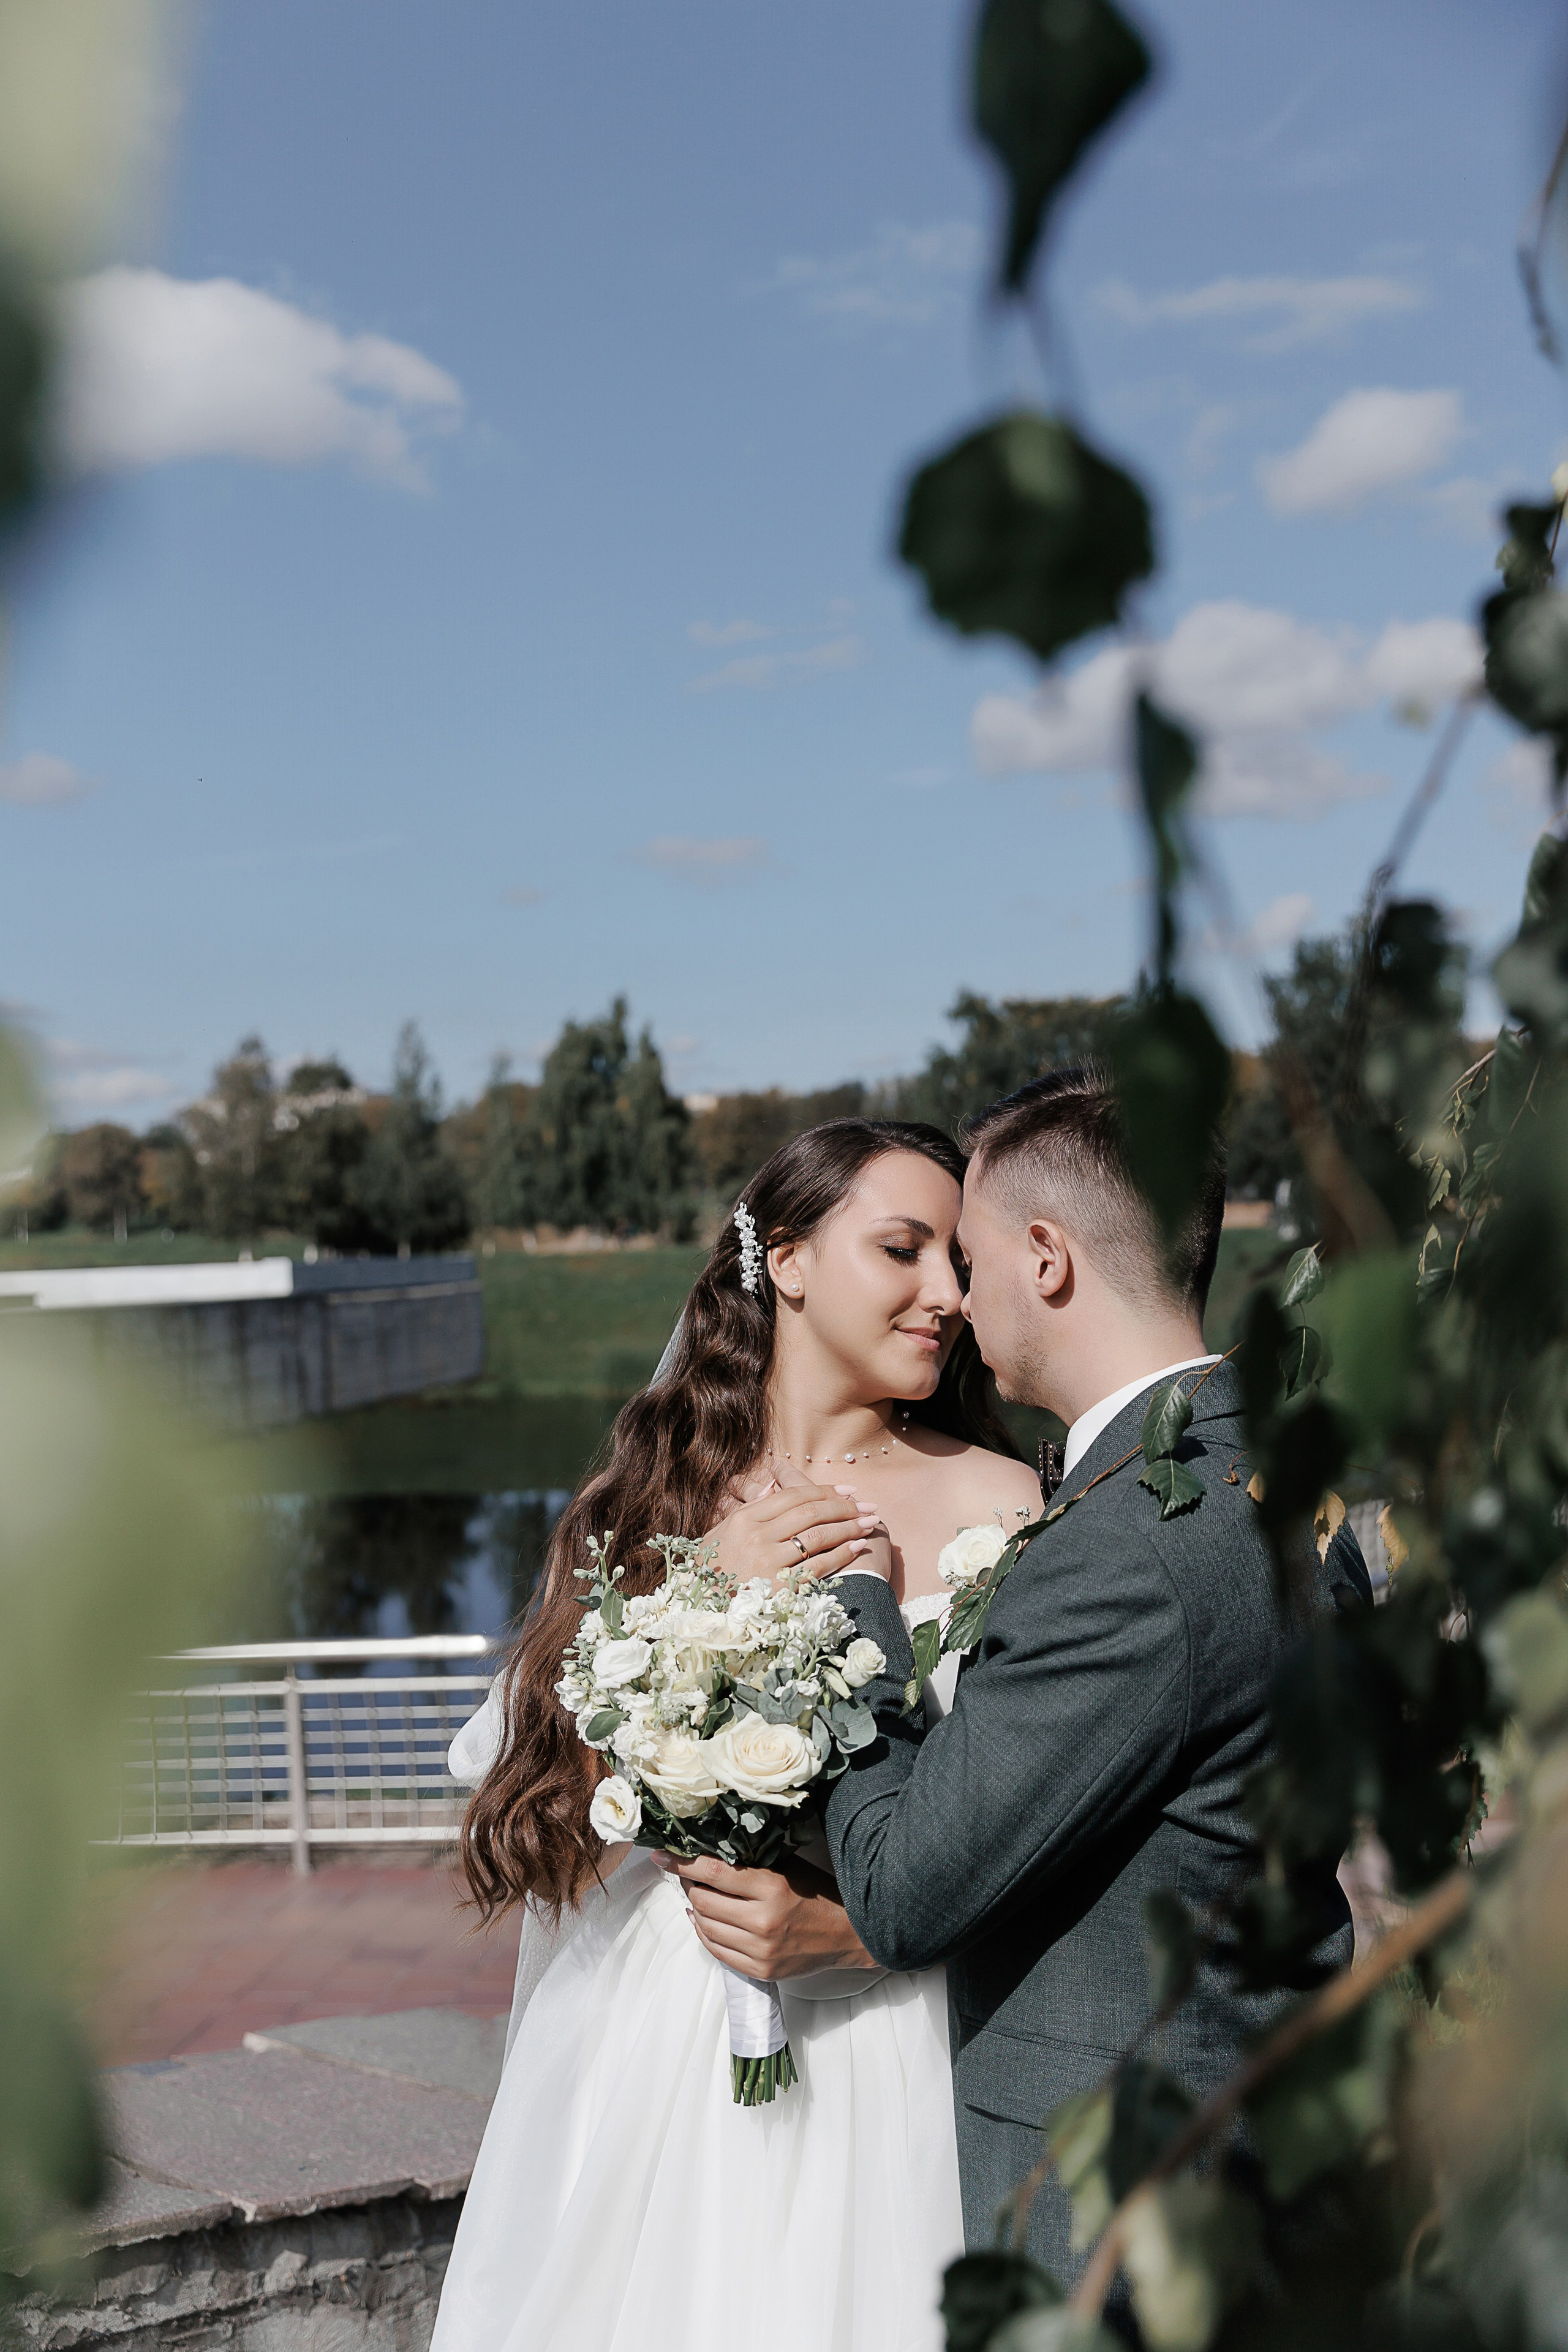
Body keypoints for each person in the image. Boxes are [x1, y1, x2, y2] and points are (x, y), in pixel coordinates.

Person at [674, 1065, 1366, 2280]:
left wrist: (857, 1598)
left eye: (970, 1255)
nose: (954, 1298)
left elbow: (898, 1892)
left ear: (1044, 1259)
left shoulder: (1120, 1552)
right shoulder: (1273, 1478)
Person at [429, 1118, 1042, 2352]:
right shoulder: (647, 1500)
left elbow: (1032, 1813)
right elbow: (532, 1807)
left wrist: (862, 1936)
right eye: (903, 1249)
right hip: (659, 2038)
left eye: (959, 1263)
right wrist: (699, 1587)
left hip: (890, 2043)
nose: (946, 1295)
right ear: (793, 1259)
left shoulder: (1002, 1501)